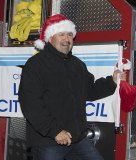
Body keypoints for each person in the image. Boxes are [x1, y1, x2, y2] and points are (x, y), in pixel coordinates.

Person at [18, 14, 125, 160]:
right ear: (50, 38)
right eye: (61, 34)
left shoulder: (77, 64)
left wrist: (111, 82)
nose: (66, 39)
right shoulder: (35, 65)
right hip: (48, 142)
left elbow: (90, 91)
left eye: (69, 34)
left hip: (77, 139)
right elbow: (31, 104)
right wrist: (54, 131)